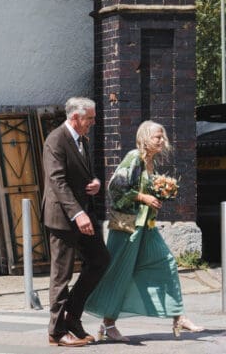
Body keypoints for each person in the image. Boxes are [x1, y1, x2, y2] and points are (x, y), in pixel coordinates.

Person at [85, 120, 204, 341]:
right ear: (144, 138)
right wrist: (143, 197)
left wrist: (160, 193)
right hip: (128, 227)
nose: (162, 140)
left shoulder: (151, 162)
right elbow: (115, 186)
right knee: (120, 273)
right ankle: (108, 325)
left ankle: (178, 316)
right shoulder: (134, 157)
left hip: (147, 227)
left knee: (167, 262)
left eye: (162, 137)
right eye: (157, 137)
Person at [41, 97, 109, 347]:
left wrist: (96, 183)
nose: (93, 122)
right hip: (63, 217)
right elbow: (57, 181)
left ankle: (71, 316)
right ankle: (56, 332)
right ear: (75, 117)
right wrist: (77, 214)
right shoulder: (56, 140)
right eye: (90, 118)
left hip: (83, 213)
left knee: (100, 260)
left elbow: (84, 173)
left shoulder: (83, 139)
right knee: (62, 274)